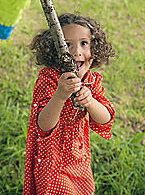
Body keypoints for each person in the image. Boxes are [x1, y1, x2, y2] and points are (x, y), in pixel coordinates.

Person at [23, 13, 115, 195]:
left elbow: (106, 119)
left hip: (78, 157)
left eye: (84, 43)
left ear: (94, 49)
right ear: (54, 50)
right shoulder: (49, 79)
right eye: (67, 45)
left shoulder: (91, 81)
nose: (76, 52)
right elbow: (43, 125)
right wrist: (60, 95)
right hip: (51, 159)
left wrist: (90, 102)